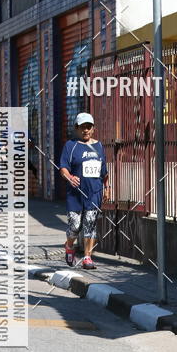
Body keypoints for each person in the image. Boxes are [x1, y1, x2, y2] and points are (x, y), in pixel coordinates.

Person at [59, 112, 109, 269]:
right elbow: (63, 168)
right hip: (75, 194)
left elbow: (104, 171)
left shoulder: (99, 146)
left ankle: (87, 257)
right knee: (74, 226)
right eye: (82, 127)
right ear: (76, 128)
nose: (86, 130)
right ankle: (69, 246)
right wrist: (70, 177)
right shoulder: (71, 146)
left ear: (93, 128)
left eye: (89, 127)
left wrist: (107, 188)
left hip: (94, 192)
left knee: (90, 224)